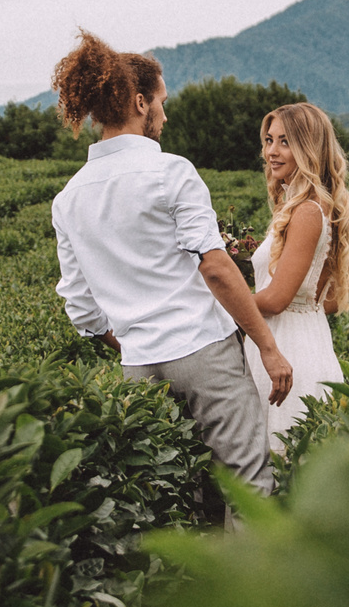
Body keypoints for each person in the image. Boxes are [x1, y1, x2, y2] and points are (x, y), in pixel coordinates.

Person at [49, 32, 294, 505]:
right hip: (203, 350)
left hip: (138, 367)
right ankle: (247, 580)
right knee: (248, 485)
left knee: (168, 498)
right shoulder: (171, 172)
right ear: (140, 103)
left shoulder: (69, 198)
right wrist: (268, 347)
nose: (165, 112)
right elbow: (217, 268)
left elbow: (81, 309)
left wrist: (136, 342)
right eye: (161, 101)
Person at [242, 102, 349, 446]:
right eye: (269, 140)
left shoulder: (308, 211)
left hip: (288, 347)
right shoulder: (308, 206)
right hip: (304, 337)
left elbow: (278, 298)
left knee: (277, 459)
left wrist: (222, 304)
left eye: (285, 142)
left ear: (308, 148)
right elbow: (326, 301)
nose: (272, 152)